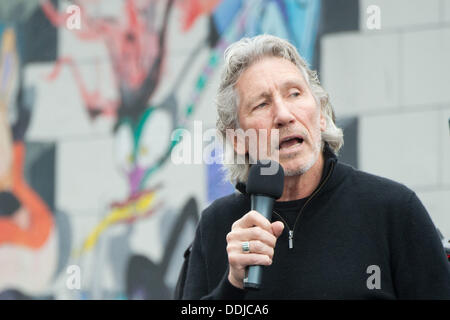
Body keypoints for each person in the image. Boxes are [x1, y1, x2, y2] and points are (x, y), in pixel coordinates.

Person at [181, 34, 450, 299]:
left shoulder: (394, 209)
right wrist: (232, 285)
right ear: (238, 140)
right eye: (262, 104)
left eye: (295, 94)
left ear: (321, 114)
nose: (284, 115)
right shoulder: (217, 227)